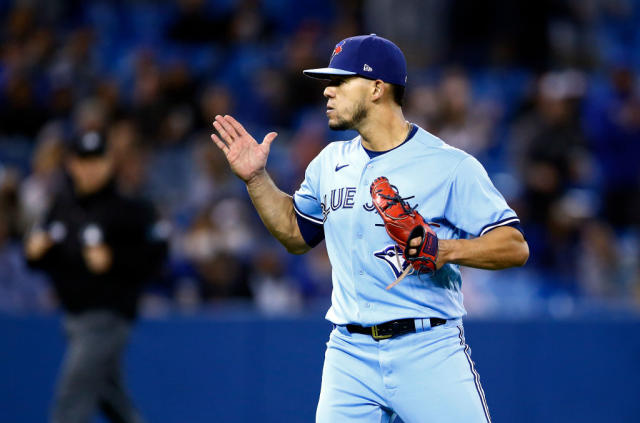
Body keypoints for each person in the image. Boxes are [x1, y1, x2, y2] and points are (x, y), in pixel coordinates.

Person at [210, 34, 529, 423]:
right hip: (349, 354)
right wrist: (257, 179)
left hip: (427, 348)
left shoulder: (449, 166)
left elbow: (514, 246)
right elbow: (296, 235)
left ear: (378, 88)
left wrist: (445, 250)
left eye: (341, 81)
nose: (328, 91)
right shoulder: (329, 162)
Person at [24, 130, 168, 423]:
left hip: (108, 317)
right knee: (112, 399)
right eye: (83, 160)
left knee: (71, 398)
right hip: (73, 318)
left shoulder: (129, 208)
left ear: (109, 163)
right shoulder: (62, 207)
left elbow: (156, 259)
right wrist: (35, 254)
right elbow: (44, 259)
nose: (90, 168)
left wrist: (115, 259)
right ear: (71, 164)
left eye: (97, 160)